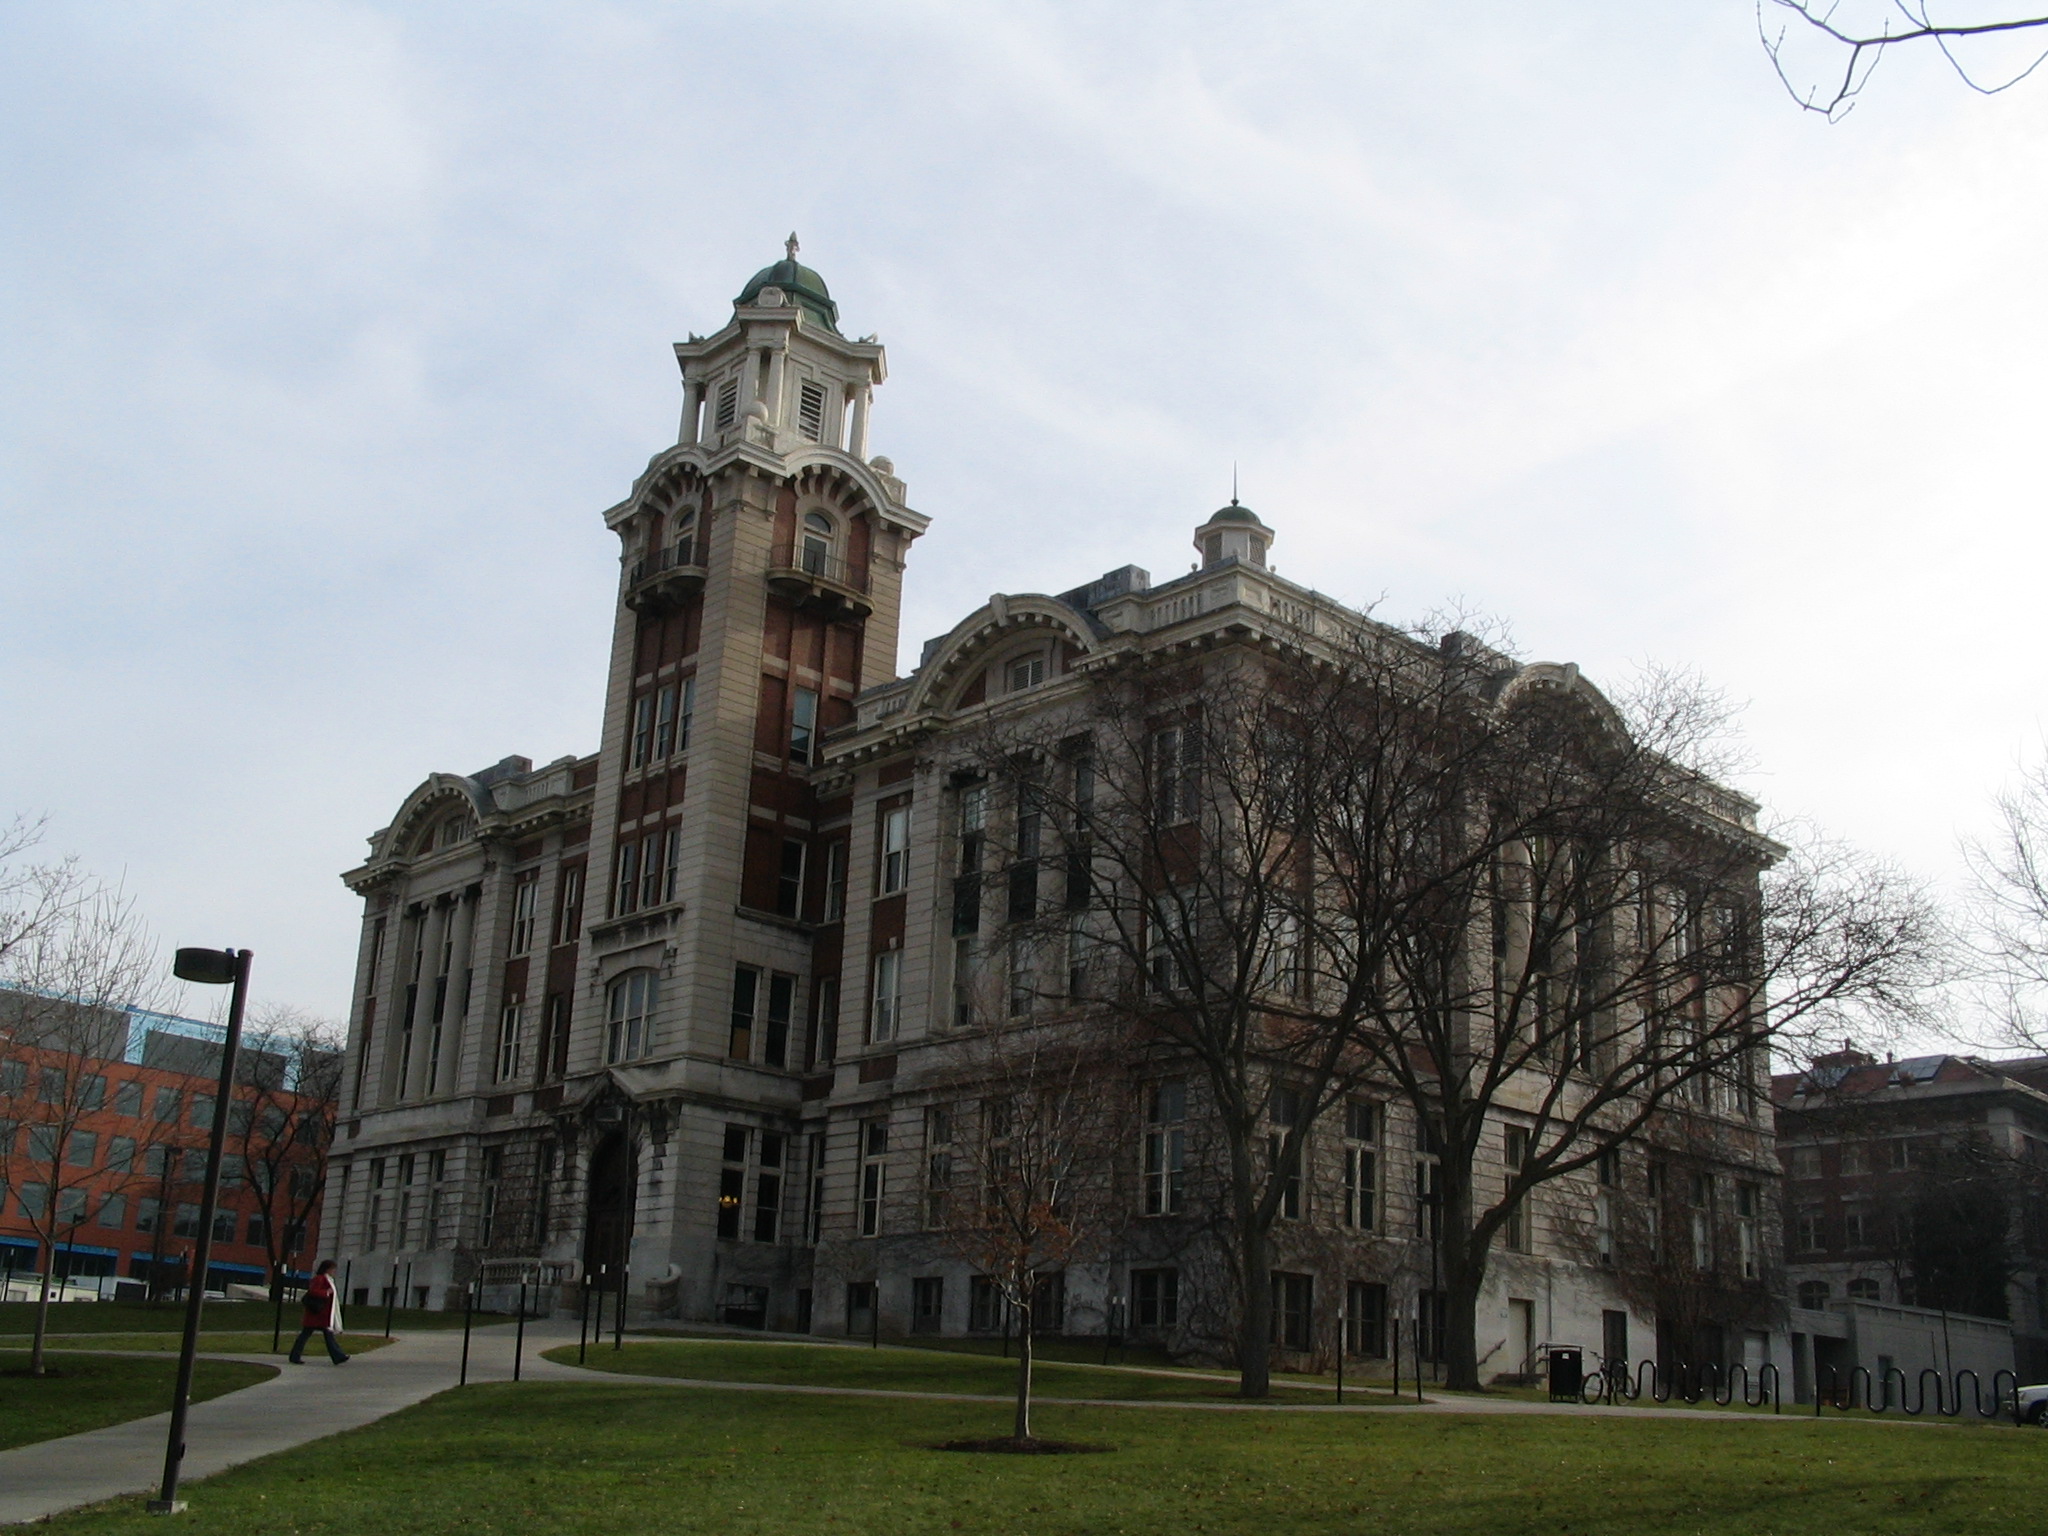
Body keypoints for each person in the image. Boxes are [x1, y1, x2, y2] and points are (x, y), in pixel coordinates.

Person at [288, 1259, 351, 1365]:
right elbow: (313, 1291)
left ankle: (337, 1356)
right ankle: (337, 1356)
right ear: (327, 1269)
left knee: (313, 1335)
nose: (334, 1271)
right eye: (332, 1269)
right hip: (317, 1313)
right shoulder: (320, 1279)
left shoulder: (327, 1279)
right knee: (311, 1335)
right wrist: (326, 1292)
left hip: (321, 1314)